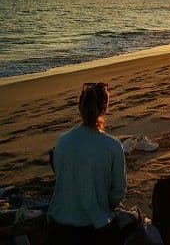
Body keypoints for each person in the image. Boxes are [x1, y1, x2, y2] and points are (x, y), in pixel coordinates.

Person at [48, 82, 127, 244]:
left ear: (80, 107)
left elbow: (61, 176)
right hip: (93, 229)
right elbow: (119, 192)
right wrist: (104, 205)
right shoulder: (112, 145)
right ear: (105, 108)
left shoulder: (62, 141)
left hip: (58, 226)